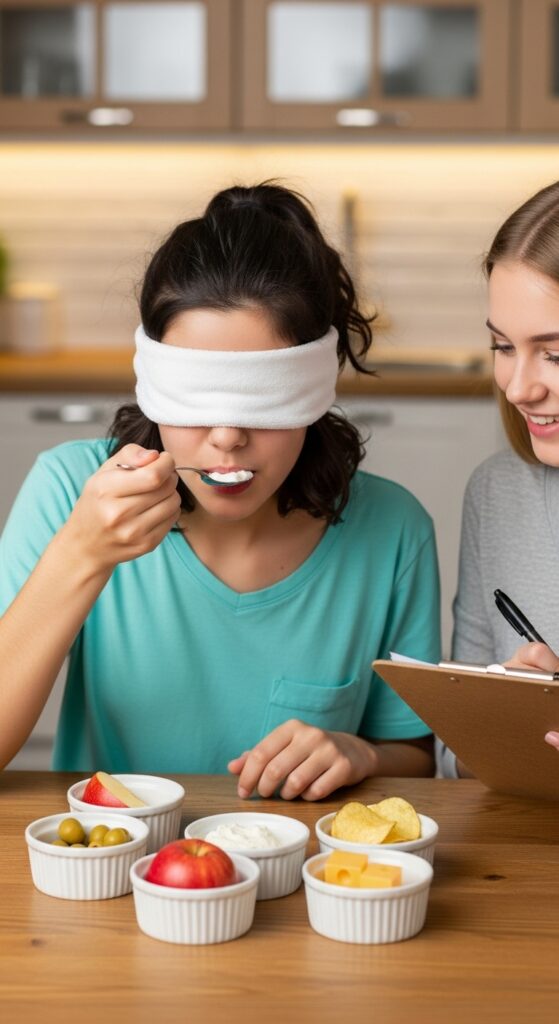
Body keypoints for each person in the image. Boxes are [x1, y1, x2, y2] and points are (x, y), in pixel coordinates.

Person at [0, 182, 440, 798]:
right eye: (196, 398)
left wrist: (359, 753)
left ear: (316, 386)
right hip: (113, 848)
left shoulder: (393, 529)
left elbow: (416, 757)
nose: (228, 437)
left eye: (263, 399)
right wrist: (82, 552)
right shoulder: (68, 489)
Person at [439, 179, 559, 778]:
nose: (518, 388)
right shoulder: (496, 493)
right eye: (503, 346)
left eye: (555, 354)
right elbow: (452, 762)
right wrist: (503, 726)